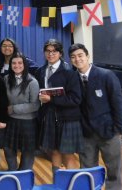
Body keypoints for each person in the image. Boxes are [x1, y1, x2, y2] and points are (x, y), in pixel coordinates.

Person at [69, 43, 122, 190]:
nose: (77, 59)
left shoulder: (106, 75)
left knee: (114, 171)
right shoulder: (71, 78)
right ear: (71, 60)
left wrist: (119, 129)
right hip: (86, 133)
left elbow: (118, 104)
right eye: (73, 57)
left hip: (109, 132)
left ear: (88, 56)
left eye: (80, 55)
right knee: (87, 171)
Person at [35, 39, 83, 178]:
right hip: (49, 116)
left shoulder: (70, 72)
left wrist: (52, 99)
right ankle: (58, 183)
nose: (51, 54)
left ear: (60, 53)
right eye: (48, 51)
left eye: (54, 51)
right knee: (54, 152)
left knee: (68, 154)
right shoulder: (41, 71)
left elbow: (76, 99)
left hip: (67, 118)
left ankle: (72, 185)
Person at [3, 52, 39, 171]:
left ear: (25, 64)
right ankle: (13, 173)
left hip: (28, 122)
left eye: (20, 63)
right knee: (8, 149)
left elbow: (35, 105)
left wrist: (13, 109)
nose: (16, 65)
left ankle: (24, 175)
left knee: (28, 151)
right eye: (13, 63)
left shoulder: (32, 81)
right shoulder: (6, 79)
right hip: (11, 121)